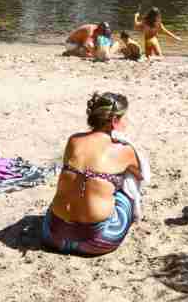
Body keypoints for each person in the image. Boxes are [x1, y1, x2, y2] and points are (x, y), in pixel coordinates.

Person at [43, 93, 143, 257]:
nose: (127, 122)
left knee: (72, 186)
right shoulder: (124, 150)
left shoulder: (73, 141)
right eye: (125, 118)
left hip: (53, 236)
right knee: (126, 190)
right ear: (114, 121)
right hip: (97, 241)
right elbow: (140, 176)